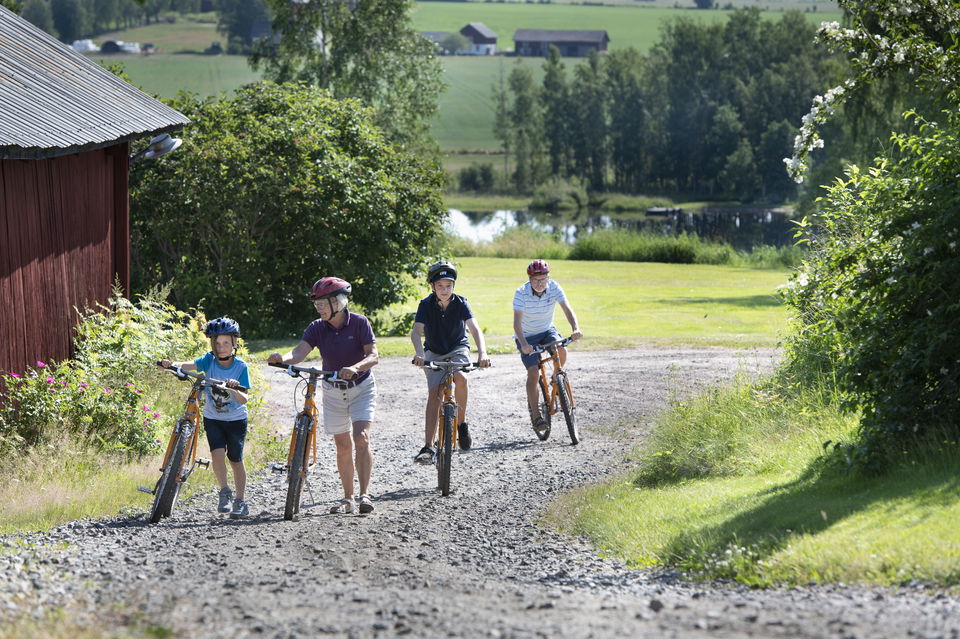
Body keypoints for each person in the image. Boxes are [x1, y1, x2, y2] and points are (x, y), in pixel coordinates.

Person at [267, 277, 379, 514]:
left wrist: (356, 367)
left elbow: (373, 356)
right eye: (316, 304)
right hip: (332, 391)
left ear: (338, 302)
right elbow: (299, 352)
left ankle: (364, 495)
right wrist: (282, 359)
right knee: (342, 445)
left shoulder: (360, 323)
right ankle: (347, 498)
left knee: (361, 437)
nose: (318, 308)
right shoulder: (317, 327)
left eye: (322, 303)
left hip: (361, 387)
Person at [158, 317, 251, 519]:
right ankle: (224, 491)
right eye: (217, 343)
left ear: (234, 343)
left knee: (235, 459)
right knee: (217, 454)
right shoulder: (208, 360)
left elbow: (244, 399)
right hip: (213, 417)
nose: (222, 347)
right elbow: (189, 365)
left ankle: (240, 500)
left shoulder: (241, 367)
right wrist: (172, 364)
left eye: (226, 342)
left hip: (236, 420)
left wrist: (234, 388)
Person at [410, 261, 490, 464]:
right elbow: (416, 332)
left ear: (453, 286)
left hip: (457, 348)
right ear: (433, 287)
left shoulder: (461, 303)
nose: (444, 290)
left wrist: (482, 353)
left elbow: (474, 329)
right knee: (435, 393)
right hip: (434, 352)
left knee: (460, 377)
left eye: (448, 286)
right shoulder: (425, 305)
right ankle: (428, 446)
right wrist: (419, 353)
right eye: (440, 286)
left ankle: (461, 424)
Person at [513, 259, 583, 437]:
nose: (539, 283)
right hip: (526, 335)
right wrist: (524, 344)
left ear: (548, 278)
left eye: (543, 279)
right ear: (529, 279)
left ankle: (556, 378)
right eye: (536, 280)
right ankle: (537, 416)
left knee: (561, 349)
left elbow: (567, 309)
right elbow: (516, 323)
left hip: (547, 330)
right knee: (533, 372)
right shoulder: (521, 293)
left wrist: (575, 328)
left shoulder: (554, 287)